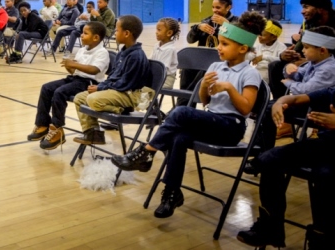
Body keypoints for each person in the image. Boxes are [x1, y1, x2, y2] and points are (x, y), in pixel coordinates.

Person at [112, 12, 267, 218]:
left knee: (182, 111)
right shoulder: (215, 66)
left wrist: (229, 88)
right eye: (219, 43)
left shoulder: (250, 73)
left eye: (225, 44)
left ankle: (146, 152)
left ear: (242, 48)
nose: (219, 48)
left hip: (231, 127)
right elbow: (206, 101)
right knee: (178, 137)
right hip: (212, 120)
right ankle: (171, 192)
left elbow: (246, 109)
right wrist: (204, 85)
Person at [236, 87, 335, 250]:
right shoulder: (332, 91)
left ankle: (320, 237)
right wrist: (279, 103)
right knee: (270, 159)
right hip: (325, 145)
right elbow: (296, 99)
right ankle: (271, 229)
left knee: (324, 174)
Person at [69, 15, 152, 147]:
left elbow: (125, 83)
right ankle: (93, 134)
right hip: (117, 90)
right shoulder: (122, 52)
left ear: (126, 34)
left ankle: (120, 109)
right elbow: (113, 76)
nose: (114, 33)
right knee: (79, 98)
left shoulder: (136, 56)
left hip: (129, 94)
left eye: (116, 30)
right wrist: (102, 86)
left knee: (93, 99)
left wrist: (101, 89)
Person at [27, 21, 110, 149]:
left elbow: (94, 70)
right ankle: (42, 124)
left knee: (60, 93)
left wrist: (74, 64)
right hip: (74, 79)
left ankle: (57, 129)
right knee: (46, 88)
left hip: (89, 83)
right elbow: (74, 71)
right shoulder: (82, 50)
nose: (81, 35)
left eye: (85, 33)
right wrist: (69, 66)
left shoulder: (102, 52)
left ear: (96, 37)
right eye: (82, 33)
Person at [251, 26, 335, 149]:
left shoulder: (328, 69)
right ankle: (260, 149)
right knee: (268, 107)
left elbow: (307, 90)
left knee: (268, 109)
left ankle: (261, 149)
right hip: (307, 104)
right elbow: (298, 73)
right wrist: (288, 68)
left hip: (317, 108)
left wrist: (290, 83)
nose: (303, 51)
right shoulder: (313, 62)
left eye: (306, 47)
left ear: (322, 50)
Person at [268, 0, 335, 99]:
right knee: (275, 66)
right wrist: (285, 56)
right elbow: (297, 49)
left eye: (306, 7)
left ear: (320, 8)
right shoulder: (308, 23)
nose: (302, 11)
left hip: (327, 68)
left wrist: (309, 61)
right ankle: (280, 102)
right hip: (309, 64)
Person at [179, 0, 239, 104]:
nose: (215, 10)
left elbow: (243, 41)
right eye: (213, 7)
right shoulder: (207, 21)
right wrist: (197, 28)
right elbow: (189, 40)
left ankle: (185, 104)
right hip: (202, 58)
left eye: (218, 7)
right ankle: (183, 105)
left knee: (205, 71)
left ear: (228, 7)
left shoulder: (237, 22)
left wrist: (228, 26)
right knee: (187, 70)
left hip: (223, 62)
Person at [151, 17, 181, 89]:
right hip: (157, 76)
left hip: (166, 79)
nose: (156, 32)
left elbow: (162, 69)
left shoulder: (170, 49)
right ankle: (152, 100)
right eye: (156, 29)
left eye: (159, 30)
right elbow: (150, 61)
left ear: (169, 33)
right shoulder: (156, 46)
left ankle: (150, 100)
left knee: (140, 84)